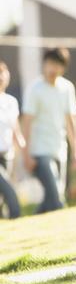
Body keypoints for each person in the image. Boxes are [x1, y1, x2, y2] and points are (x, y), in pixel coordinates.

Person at [21, 48, 76, 213]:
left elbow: (71, 121)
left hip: (59, 148)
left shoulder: (67, 88)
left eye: (56, 65)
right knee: (57, 199)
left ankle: (33, 222)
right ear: (43, 65)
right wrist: (25, 154)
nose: (52, 69)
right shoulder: (35, 89)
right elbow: (26, 122)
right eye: (48, 64)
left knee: (52, 198)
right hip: (39, 151)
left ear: (63, 67)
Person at [0, 61, 25, 219]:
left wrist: (23, 146)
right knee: (10, 192)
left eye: (3, 73)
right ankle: (16, 216)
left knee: (1, 197)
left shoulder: (11, 101)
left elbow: (15, 128)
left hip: (7, 154)